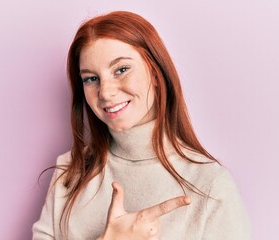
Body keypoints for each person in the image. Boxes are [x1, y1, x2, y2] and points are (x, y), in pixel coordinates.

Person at [32, 11, 251, 240]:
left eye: (121, 70)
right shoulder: (70, 171)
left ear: (156, 73)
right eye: (91, 79)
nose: (105, 92)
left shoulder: (211, 186)